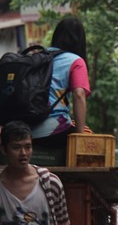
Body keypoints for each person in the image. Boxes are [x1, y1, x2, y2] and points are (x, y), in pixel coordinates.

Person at [0, 121, 71, 225]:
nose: (23, 153)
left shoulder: (51, 183)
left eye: (27, 147)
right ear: (3, 150)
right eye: (16, 147)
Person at [31, 17, 91, 149]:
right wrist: (79, 137)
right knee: (88, 137)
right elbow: (79, 94)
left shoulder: (38, 57)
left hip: (26, 130)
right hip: (54, 129)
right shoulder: (75, 61)